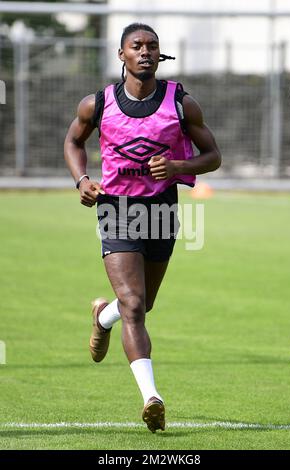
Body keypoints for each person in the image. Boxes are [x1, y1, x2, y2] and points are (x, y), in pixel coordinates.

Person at [64, 23, 221, 433]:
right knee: (134, 305)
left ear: (159, 54)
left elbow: (213, 156)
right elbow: (73, 142)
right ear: (122, 55)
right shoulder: (97, 104)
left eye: (152, 46)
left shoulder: (181, 103)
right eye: (137, 46)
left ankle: (102, 316)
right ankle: (152, 397)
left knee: (142, 305)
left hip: (161, 210)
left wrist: (178, 167)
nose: (145, 52)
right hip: (116, 209)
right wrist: (82, 181)